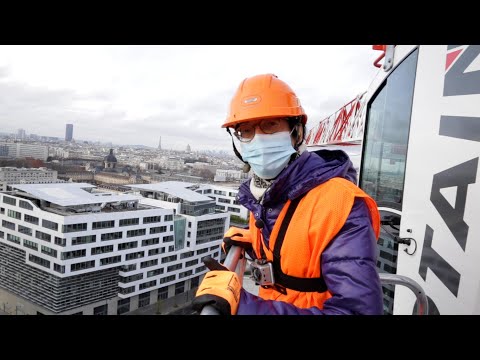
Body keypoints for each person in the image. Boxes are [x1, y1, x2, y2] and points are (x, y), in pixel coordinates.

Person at [192, 73, 383, 315]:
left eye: (270, 125)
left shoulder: (341, 204)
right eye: (246, 130)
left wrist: (243, 306)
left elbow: (358, 311)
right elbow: (298, 249)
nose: (258, 138)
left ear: (297, 131)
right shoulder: (266, 193)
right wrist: (254, 240)